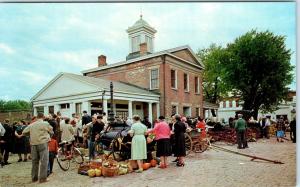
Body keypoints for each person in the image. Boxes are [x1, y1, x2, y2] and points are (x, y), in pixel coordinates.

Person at [21, 112, 53, 183]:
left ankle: (34, 178)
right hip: (43, 143)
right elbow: (51, 131)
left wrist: (31, 135)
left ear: (37, 117)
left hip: (33, 144)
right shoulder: (45, 123)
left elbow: (24, 132)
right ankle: (42, 179)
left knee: (34, 161)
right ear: (43, 117)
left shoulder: (31, 124)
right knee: (44, 161)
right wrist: (49, 137)